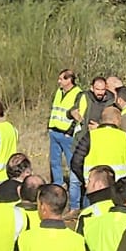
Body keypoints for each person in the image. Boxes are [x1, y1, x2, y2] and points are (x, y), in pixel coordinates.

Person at [48, 69, 86, 198]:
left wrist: (70, 132)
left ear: (69, 80)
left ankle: (75, 189)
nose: (59, 81)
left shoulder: (78, 94)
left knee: (72, 163)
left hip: (67, 135)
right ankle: (58, 185)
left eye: (61, 79)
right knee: (54, 162)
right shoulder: (59, 92)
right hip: (54, 131)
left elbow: (78, 114)